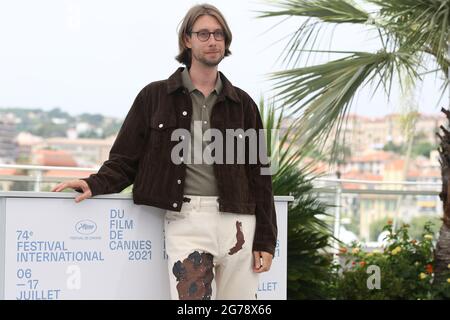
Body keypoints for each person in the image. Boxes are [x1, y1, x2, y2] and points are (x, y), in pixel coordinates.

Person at [52, 3, 277, 300]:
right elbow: (125, 159)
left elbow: (260, 175)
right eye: (204, 34)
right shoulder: (154, 97)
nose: (213, 41)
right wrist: (94, 183)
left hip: (239, 222)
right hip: (187, 221)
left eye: (219, 34)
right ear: (187, 39)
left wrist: (265, 239)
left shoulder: (243, 104)